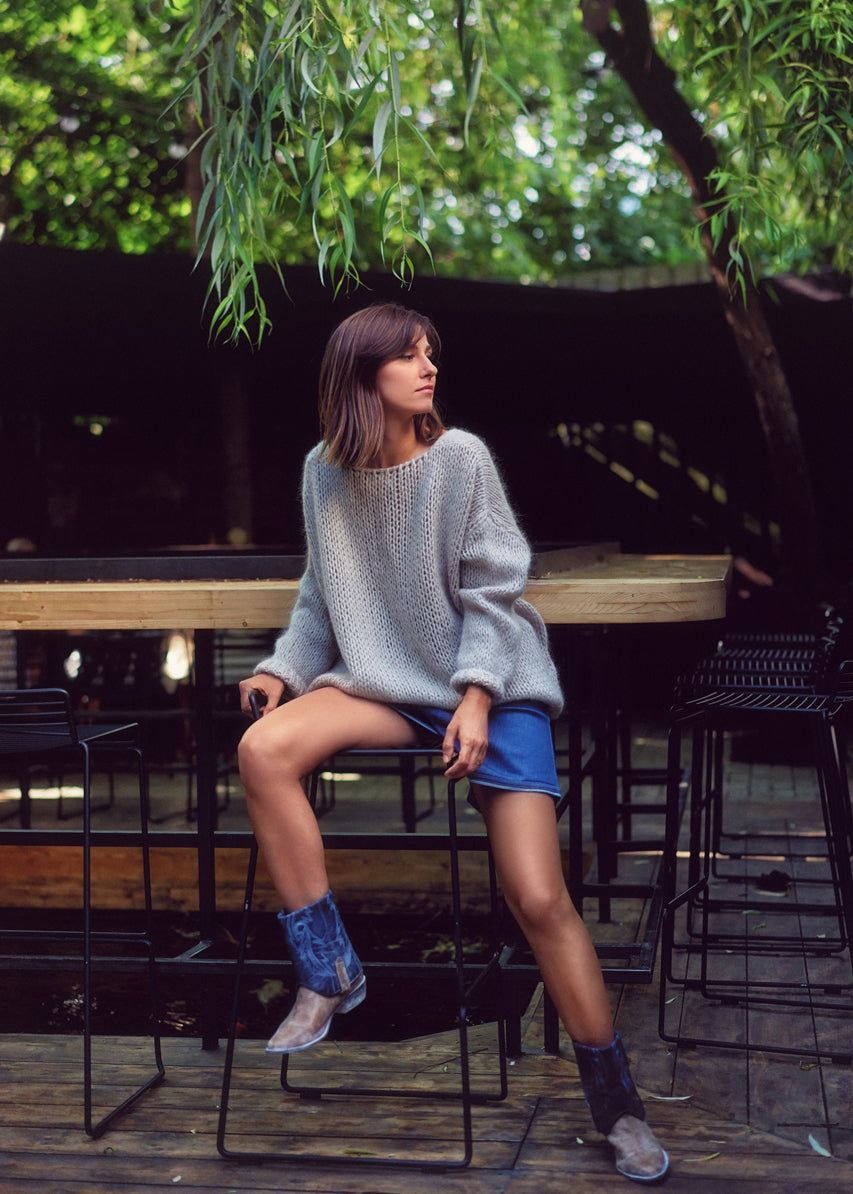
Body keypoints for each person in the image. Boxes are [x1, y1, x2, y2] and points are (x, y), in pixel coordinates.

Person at [237, 302, 669, 1184]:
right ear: (363, 377)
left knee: (537, 899)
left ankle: (617, 1106)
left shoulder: (460, 459)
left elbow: (494, 591)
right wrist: (283, 668)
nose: (427, 366)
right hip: (392, 685)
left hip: (493, 684)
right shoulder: (324, 474)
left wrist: (476, 697)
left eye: (430, 351)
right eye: (407, 355)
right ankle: (329, 975)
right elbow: (322, 599)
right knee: (263, 748)